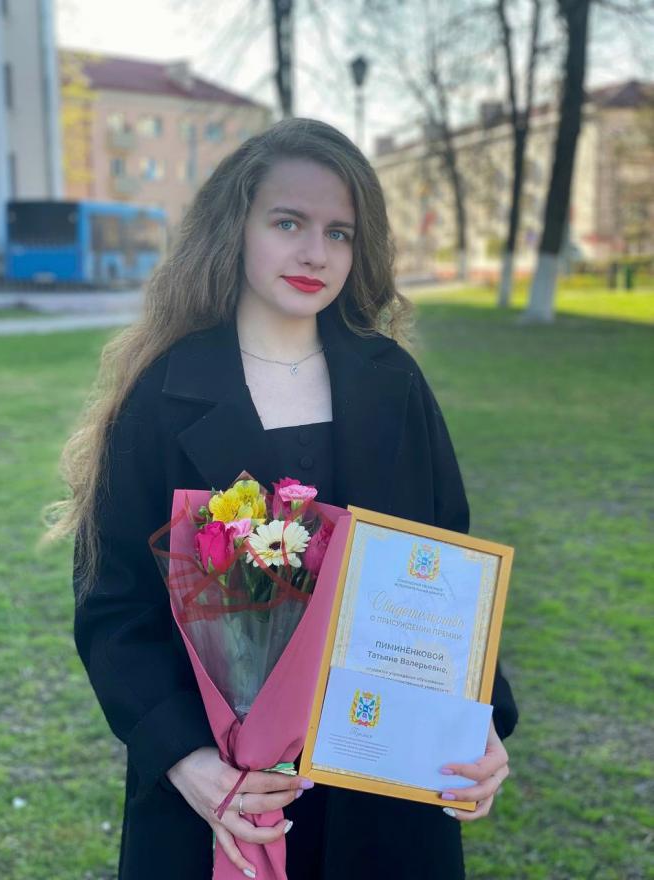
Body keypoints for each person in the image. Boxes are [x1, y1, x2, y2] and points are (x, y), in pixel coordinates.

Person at [49, 118, 517, 880]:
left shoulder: (393, 383)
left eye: (339, 233)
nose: (314, 254)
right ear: (235, 228)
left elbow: (448, 577)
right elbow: (114, 608)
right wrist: (187, 761)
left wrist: (478, 719)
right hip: (224, 795)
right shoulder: (164, 393)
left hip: (381, 781)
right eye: (288, 223)